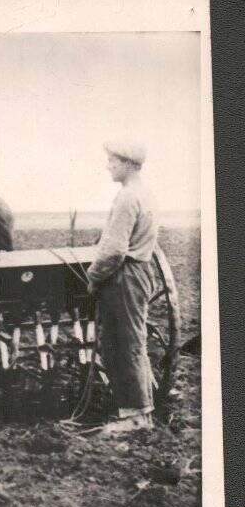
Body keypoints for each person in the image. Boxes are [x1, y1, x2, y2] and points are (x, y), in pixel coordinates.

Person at [87, 139, 158, 434]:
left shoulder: (128, 197)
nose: (108, 166)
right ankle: (138, 410)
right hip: (137, 272)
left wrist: (93, 276)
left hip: (124, 276)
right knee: (130, 340)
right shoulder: (143, 193)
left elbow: (114, 249)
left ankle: (136, 416)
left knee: (124, 344)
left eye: (113, 161)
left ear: (129, 164)